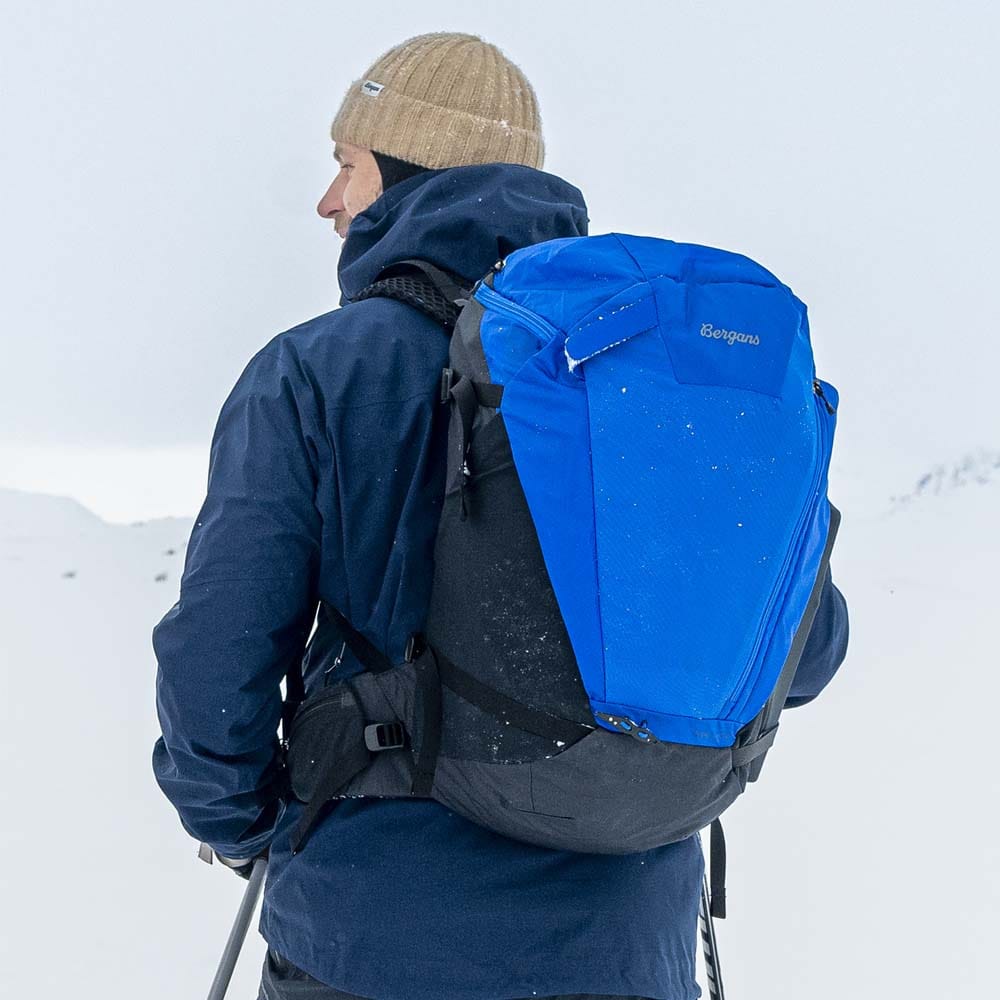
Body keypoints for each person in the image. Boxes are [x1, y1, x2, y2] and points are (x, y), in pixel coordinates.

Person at [152, 31, 849, 1000]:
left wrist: (245, 825)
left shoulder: (319, 370)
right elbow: (809, 653)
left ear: (406, 169)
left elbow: (216, 654)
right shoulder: (642, 377)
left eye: (347, 164)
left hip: (374, 932)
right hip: (628, 942)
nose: (328, 201)